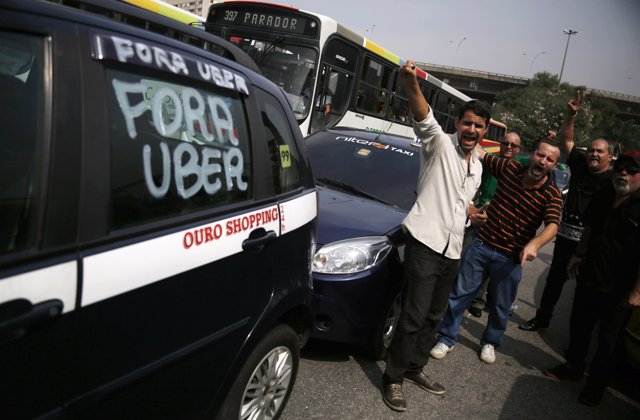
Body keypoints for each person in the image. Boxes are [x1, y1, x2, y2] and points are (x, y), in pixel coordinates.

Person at [381, 61, 490, 412]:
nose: (471, 129)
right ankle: (393, 378)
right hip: (425, 244)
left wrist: (472, 211)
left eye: (478, 125)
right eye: (467, 123)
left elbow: (460, 199)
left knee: (434, 317)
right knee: (413, 315)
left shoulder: (478, 165)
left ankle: (415, 369)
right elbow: (423, 114)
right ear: (457, 124)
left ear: (485, 131)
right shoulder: (440, 145)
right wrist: (411, 82)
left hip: (453, 249)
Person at [430, 139, 563, 365]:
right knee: (460, 295)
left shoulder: (552, 194)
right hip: (482, 245)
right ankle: (446, 338)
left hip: (510, 258)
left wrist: (535, 244)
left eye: (549, 159)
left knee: (501, 305)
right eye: (540, 155)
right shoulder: (509, 168)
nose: (543, 161)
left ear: (554, 165)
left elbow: (552, 226)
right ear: (532, 155)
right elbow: (480, 153)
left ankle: (490, 342)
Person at [542, 152, 640, 406]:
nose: (624, 173)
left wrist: (637, 291)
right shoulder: (606, 193)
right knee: (580, 324)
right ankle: (573, 366)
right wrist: (579, 254)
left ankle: (596, 387)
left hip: (620, 287)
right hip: (591, 274)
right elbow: (591, 227)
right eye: (621, 168)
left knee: (609, 340)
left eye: (632, 170)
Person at [519, 91, 614, 332]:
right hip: (565, 238)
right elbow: (567, 140)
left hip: (590, 245)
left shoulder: (613, 181)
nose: (593, 153)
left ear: (609, 157)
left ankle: (576, 341)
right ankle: (542, 319)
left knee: (584, 292)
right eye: (591, 149)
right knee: (553, 283)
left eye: (599, 151)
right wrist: (571, 116)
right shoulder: (580, 165)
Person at [467, 132, 523, 318]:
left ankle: (493, 301)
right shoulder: (490, 162)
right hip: (483, 214)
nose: (508, 147)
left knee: (499, 263)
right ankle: (476, 300)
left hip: (506, 222)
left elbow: (544, 159)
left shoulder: (521, 166)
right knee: (477, 259)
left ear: (518, 150)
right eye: (505, 143)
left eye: (513, 145)